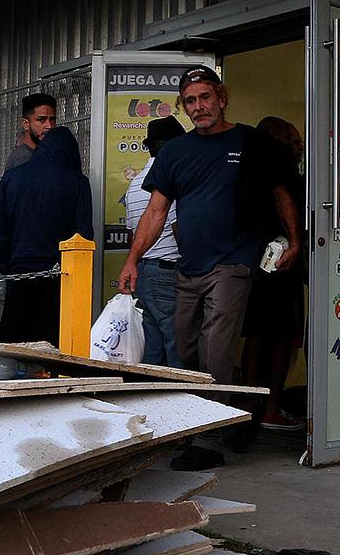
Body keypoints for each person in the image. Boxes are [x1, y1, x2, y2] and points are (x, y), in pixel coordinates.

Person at [118, 65, 302, 471]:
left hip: (233, 263)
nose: (199, 107)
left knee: (215, 347)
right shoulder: (177, 152)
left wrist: (295, 240)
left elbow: (280, 194)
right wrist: (133, 259)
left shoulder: (251, 142)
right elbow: (156, 210)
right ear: (183, 107)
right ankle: (239, 413)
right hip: (190, 267)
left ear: (222, 97)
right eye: (190, 101)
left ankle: (209, 441)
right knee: (185, 348)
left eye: (205, 97)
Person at [0, 125, 93, 345]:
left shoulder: (11, 178)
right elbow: (83, 235)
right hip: (59, 275)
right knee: (51, 343)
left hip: (18, 272)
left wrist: (7, 266)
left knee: (15, 342)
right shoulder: (77, 182)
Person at [242, 116, 307, 432]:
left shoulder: (246, 174)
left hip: (254, 266)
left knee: (256, 334)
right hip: (281, 267)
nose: (299, 148)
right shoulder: (285, 176)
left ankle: (253, 402)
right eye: (293, 141)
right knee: (279, 336)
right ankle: (271, 407)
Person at [123, 116, 186, 366]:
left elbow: (132, 235)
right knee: (177, 344)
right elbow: (175, 227)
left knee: (153, 348)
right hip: (167, 271)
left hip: (144, 271)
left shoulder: (135, 183)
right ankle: (180, 403)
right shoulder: (170, 178)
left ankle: (150, 401)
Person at [4, 93, 57, 172]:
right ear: (26, 124)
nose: (49, 126)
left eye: (52, 119)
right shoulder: (24, 159)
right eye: (41, 120)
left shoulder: (40, 154)